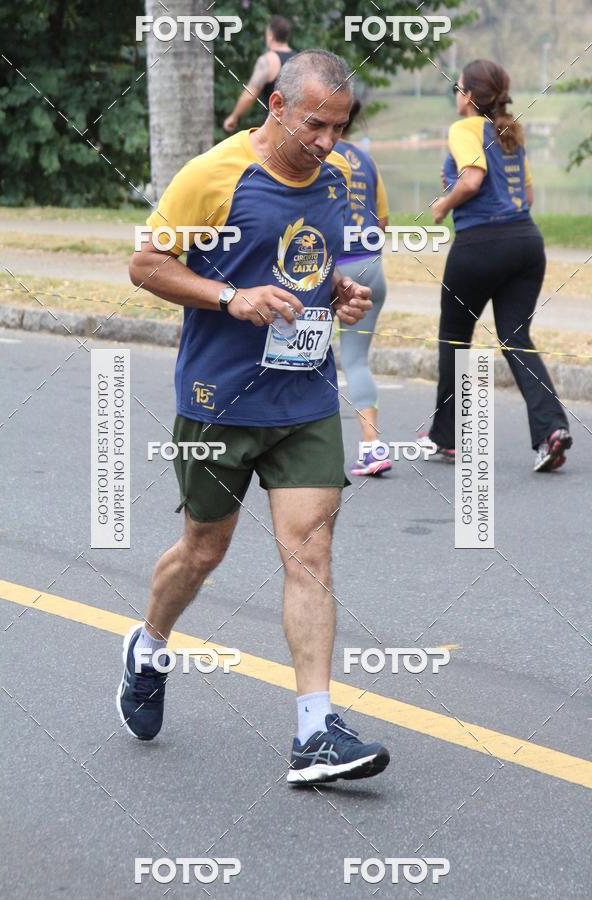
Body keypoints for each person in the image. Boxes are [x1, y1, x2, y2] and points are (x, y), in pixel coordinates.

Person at [118, 50, 390, 785]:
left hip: (302, 397)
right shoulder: (213, 175)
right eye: (314, 124)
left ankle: (314, 732)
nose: (328, 141)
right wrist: (229, 298)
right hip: (220, 399)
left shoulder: (334, 181)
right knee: (204, 551)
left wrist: (338, 294)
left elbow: (303, 265)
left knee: (312, 549)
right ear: (276, 108)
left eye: (339, 126)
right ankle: (148, 644)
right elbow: (146, 265)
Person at [420, 59, 572, 472]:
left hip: (481, 244)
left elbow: (472, 179)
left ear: (469, 96)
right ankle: (551, 430)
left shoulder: (464, 128)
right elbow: (526, 194)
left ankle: (446, 438)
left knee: (454, 335)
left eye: (457, 87)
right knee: (516, 338)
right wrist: (455, 185)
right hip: (527, 243)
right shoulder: (509, 131)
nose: (455, 94)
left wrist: (441, 204)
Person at [334, 99, 391, 476]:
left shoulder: (313, 153)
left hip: (334, 269)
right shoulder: (364, 159)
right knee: (356, 359)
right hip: (372, 265)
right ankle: (371, 445)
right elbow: (382, 219)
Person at [223, 15, 295, 133]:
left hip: (275, 129)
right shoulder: (299, 59)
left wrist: (233, 117)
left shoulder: (268, 60)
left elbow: (250, 94)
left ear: (271, 35)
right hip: (296, 127)